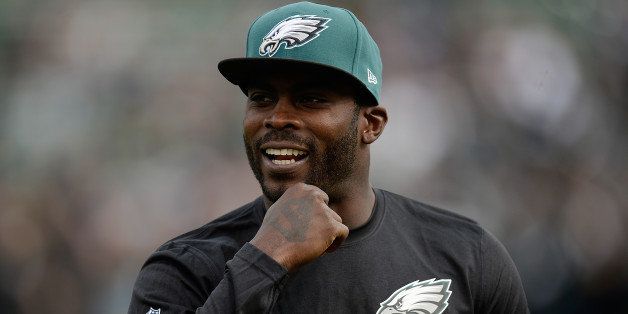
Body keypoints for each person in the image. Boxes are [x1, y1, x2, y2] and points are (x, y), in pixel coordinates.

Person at [128, 2, 529, 313]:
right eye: (262, 97)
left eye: (311, 99)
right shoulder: (185, 268)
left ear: (371, 124)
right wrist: (265, 260)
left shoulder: (466, 256)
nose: (277, 117)